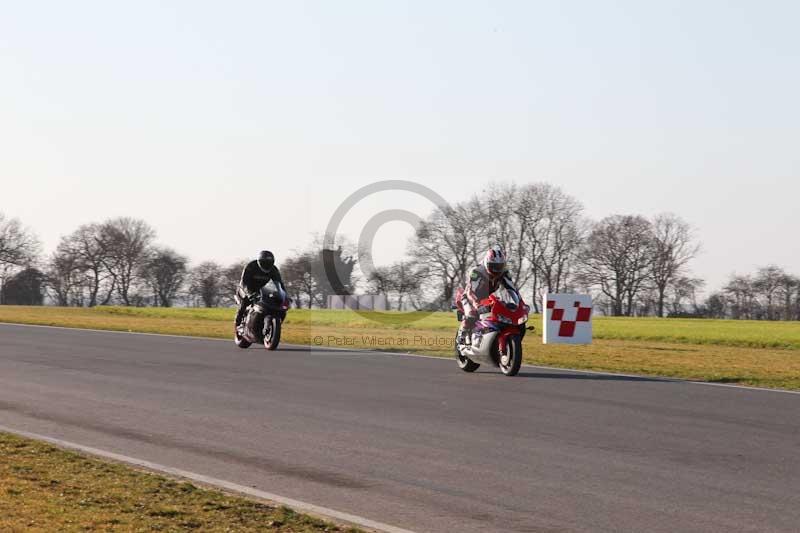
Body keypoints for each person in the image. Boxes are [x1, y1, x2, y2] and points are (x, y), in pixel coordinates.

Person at [457, 245, 519, 344]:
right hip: (469, 297)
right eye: (493, 266)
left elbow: (512, 288)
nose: (496, 269)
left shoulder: (504, 273)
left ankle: (489, 338)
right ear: (486, 263)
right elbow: (471, 292)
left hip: (487, 298)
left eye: (499, 266)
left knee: (500, 313)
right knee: (472, 314)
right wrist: (477, 304)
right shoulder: (477, 272)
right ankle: (462, 335)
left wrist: (517, 303)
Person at [235, 250, 284, 325]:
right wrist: (249, 293)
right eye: (265, 263)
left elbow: (279, 284)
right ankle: (237, 322)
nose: (267, 265)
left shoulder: (273, 270)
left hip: (260, 290)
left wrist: (284, 295)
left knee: (275, 305)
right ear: (260, 262)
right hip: (245, 288)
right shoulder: (251, 266)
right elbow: (244, 282)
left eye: (269, 263)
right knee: (245, 301)